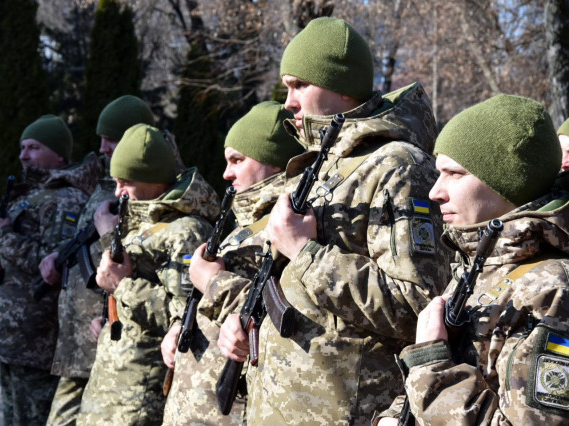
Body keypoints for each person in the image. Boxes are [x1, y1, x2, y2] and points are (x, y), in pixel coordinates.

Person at [217, 17, 450, 424]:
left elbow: (418, 305)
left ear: (342, 86)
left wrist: (305, 253)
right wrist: (245, 323)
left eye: (299, 86)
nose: (288, 102)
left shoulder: (397, 167)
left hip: (346, 412)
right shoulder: (321, 166)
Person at [376, 94, 569, 425]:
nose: (435, 192)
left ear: (506, 182)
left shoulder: (550, 289)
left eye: (454, 173)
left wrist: (430, 365)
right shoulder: (482, 262)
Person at [160, 101, 304, 425]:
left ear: (273, 160)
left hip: (231, 412)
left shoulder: (288, 228)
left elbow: (286, 319)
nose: (226, 173)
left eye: (237, 160)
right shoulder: (244, 225)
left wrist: (213, 281)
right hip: (192, 408)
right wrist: (178, 325)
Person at [76, 123, 220, 425]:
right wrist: (111, 317)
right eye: (116, 182)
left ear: (153, 180)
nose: (118, 192)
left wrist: (123, 287)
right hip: (111, 384)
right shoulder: (140, 220)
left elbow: (187, 318)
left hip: (141, 391)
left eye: (126, 182)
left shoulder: (186, 232)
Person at [0, 114, 97, 425]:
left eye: (34, 147)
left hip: (35, 336)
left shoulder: (65, 199)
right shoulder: (35, 193)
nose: (24, 155)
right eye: (22, 147)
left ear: (59, 154)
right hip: (14, 337)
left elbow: (54, 263)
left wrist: (1, 233)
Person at [39, 95, 155, 426]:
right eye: (101, 139)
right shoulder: (106, 186)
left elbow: (141, 261)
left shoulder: (149, 188)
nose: (102, 148)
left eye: (111, 140)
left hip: (112, 334)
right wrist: (59, 253)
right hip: (79, 337)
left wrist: (107, 235)